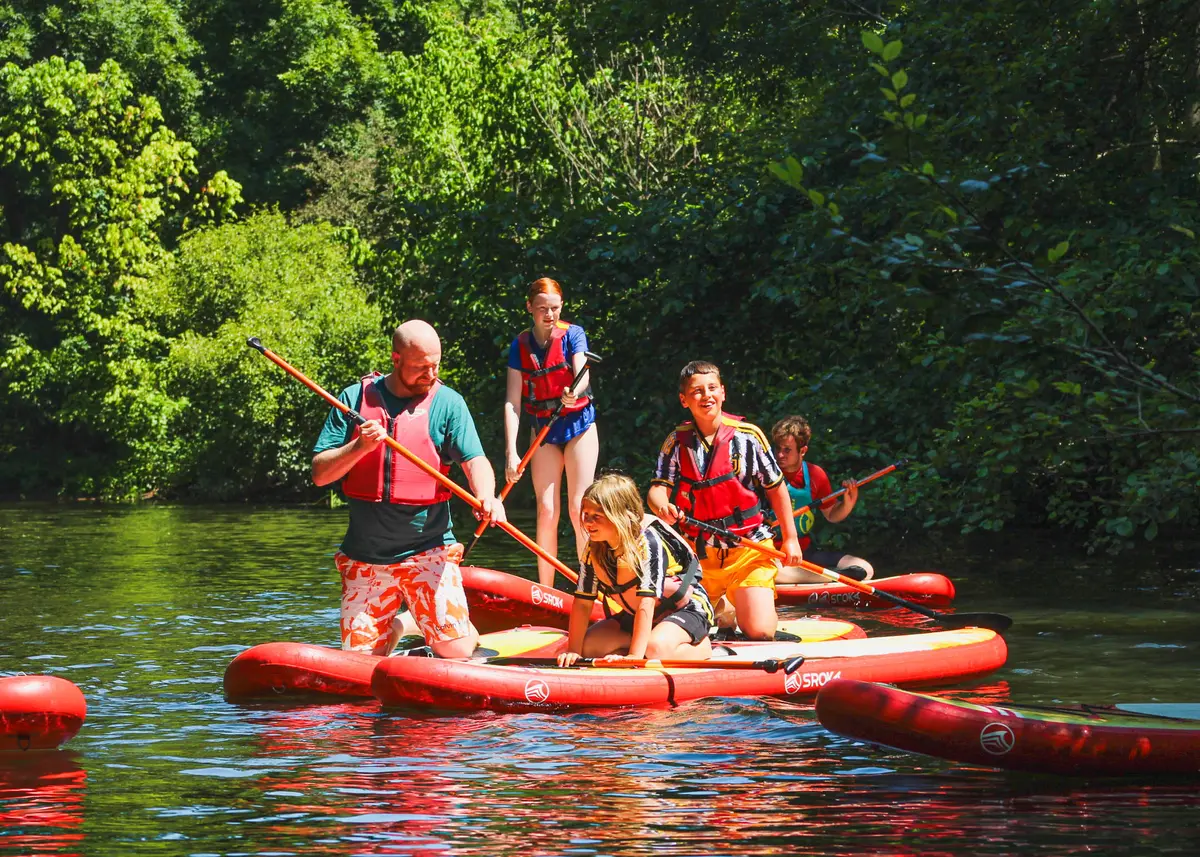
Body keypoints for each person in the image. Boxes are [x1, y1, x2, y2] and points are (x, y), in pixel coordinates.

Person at [312, 320, 506, 659]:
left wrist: (487, 495)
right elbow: (320, 474)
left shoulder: (448, 403)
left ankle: (428, 624)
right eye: (420, 367)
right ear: (396, 359)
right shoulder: (354, 399)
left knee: (458, 652)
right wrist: (359, 447)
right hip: (366, 556)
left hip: (428, 549)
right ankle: (403, 624)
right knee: (362, 661)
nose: (430, 375)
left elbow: (475, 461)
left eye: (435, 365)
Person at [646, 361, 803, 640]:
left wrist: (790, 539)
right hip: (698, 553)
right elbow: (657, 488)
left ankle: (734, 605)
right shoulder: (675, 442)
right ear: (684, 400)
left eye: (712, 388)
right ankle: (721, 607)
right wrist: (662, 506)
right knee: (662, 627)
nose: (706, 396)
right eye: (696, 391)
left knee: (760, 631)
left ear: (723, 393)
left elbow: (777, 488)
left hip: (749, 547)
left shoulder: (749, 437)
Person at [557, 473, 714, 666]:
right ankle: (643, 645)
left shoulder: (648, 543)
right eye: (586, 515)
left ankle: (702, 647)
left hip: (686, 609)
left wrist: (634, 657)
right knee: (588, 647)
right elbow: (583, 602)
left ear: (619, 516)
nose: (588, 523)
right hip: (639, 615)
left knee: (655, 649)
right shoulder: (594, 548)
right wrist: (573, 651)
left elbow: (646, 603)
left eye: (597, 516)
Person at [504, 277, 599, 588]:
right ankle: (547, 591)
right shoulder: (520, 345)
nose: (549, 315)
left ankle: (589, 585)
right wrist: (511, 451)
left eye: (555, 308)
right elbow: (513, 402)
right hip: (543, 430)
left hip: (578, 425)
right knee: (546, 510)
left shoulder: (573, 335)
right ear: (530, 307)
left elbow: (581, 370)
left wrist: (575, 389)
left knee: (578, 508)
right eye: (542, 308)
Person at [770, 415, 874, 584]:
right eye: (778, 448)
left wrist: (848, 502)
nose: (780, 455)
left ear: (802, 451)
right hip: (772, 554)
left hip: (804, 553)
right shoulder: (764, 474)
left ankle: (825, 577)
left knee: (864, 568)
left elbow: (832, 514)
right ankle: (830, 578)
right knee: (773, 571)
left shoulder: (815, 475)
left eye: (787, 450)